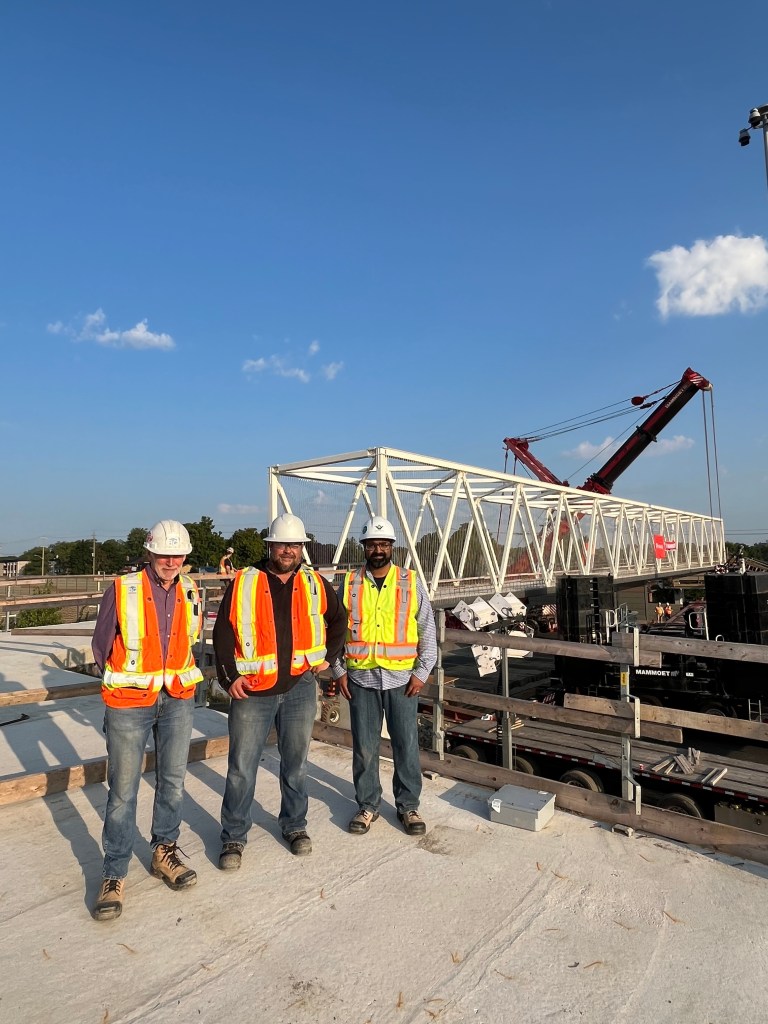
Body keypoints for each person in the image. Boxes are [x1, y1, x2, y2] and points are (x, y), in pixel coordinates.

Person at [214, 513, 347, 868]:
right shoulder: (245, 581)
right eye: (281, 544)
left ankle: (294, 824)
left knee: (296, 764)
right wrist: (229, 677)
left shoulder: (314, 582)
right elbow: (223, 633)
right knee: (242, 767)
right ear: (269, 546)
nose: (287, 550)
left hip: (301, 687)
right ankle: (234, 837)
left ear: (302, 548)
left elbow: (339, 621)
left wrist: (327, 658)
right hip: (254, 691)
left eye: (294, 545)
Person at [90, 520, 204, 921]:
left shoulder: (190, 589)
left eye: (178, 554)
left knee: (172, 782)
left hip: (176, 699)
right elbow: (101, 645)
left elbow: (190, 640)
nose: (171, 561)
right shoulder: (123, 589)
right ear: (150, 553)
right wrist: (127, 683)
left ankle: (164, 851)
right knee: (122, 790)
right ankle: (114, 872)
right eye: (163, 554)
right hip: (129, 702)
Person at [334, 516, 437, 837]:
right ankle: (368, 805)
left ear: (392, 547)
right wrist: (338, 670)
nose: (377, 550)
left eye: (383, 544)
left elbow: (427, 629)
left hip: (402, 681)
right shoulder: (349, 584)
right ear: (363, 547)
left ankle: (408, 806)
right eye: (371, 545)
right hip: (361, 680)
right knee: (364, 747)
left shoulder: (409, 581)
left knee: (406, 746)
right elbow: (335, 630)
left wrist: (422, 672)